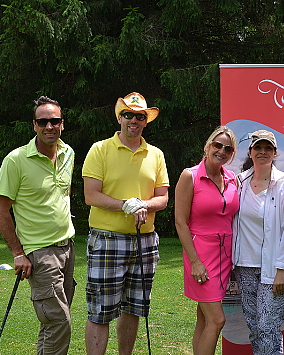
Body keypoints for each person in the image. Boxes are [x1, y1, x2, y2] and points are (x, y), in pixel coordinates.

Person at [82, 92, 169, 355]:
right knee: (101, 311)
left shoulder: (155, 154)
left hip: (145, 240)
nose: (134, 120)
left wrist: (142, 205)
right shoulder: (100, 149)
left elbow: (163, 198)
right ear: (120, 117)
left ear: (146, 121)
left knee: (134, 308)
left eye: (140, 116)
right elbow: (91, 195)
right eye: (129, 115)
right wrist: (125, 205)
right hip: (107, 239)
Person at [0, 96, 75, 355]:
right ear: (34, 125)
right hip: (39, 254)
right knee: (59, 322)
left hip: (68, 249)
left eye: (54, 121)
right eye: (43, 121)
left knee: (52, 324)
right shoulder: (15, 160)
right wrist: (18, 253)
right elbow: (0, 209)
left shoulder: (68, 153)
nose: (49, 126)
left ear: (62, 123)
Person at [174, 126, 239, 355]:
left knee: (203, 318)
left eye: (227, 148)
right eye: (217, 145)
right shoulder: (189, 176)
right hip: (200, 255)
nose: (221, 151)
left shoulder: (232, 179)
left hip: (225, 257)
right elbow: (181, 223)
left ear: (232, 154)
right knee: (217, 319)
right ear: (208, 146)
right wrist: (195, 262)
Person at [232, 130, 284, 355]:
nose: (262, 152)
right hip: (245, 266)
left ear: (275, 153)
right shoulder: (239, 182)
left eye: (268, 148)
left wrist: (281, 269)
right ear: (250, 151)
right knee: (255, 326)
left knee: (268, 327)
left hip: (274, 269)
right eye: (258, 147)